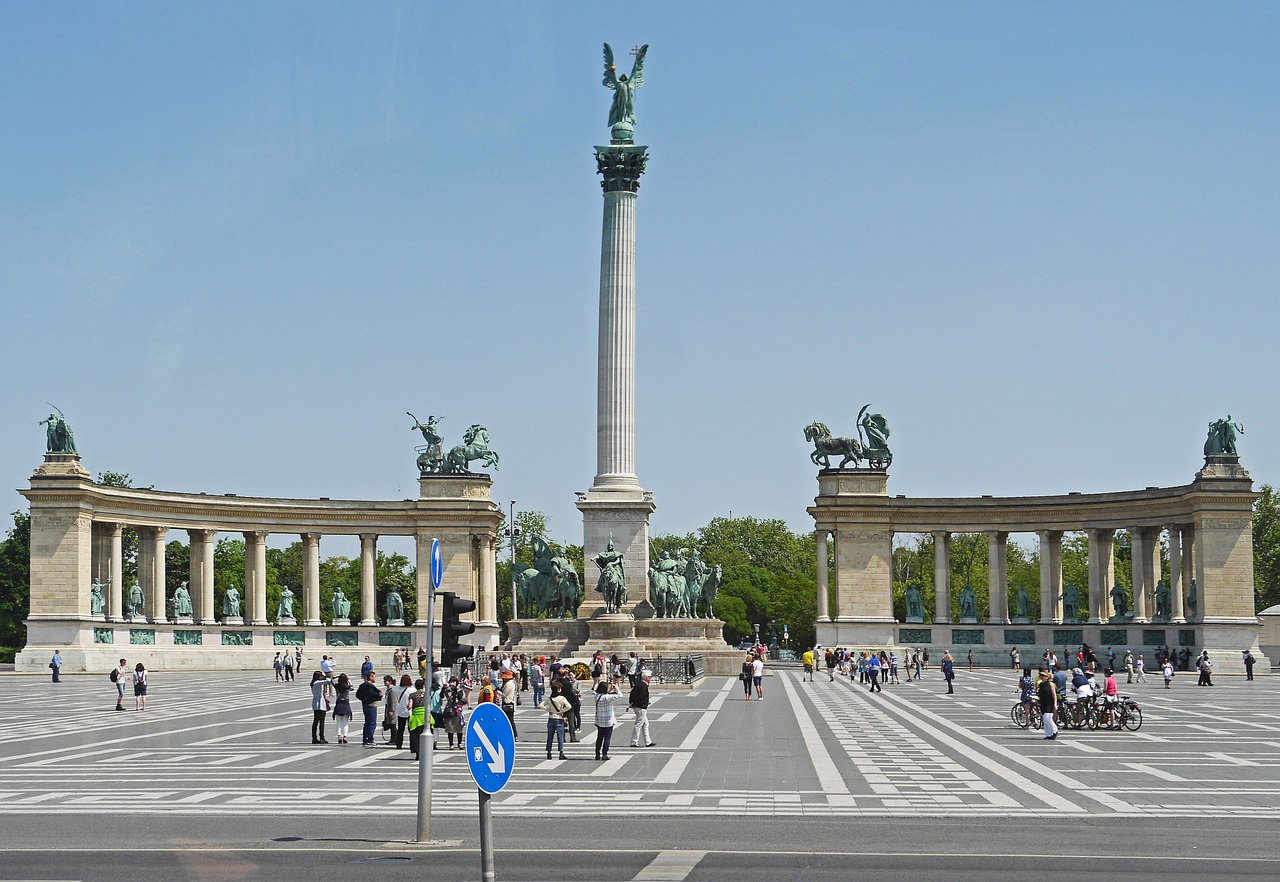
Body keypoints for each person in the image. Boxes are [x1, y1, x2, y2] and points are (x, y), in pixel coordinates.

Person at [543, 680, 572, 760]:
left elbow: (540, 705)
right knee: (560, 737)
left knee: (550, 737)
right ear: (558, 689)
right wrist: (561, 711)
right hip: (559, 718)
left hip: (551, 718)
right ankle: (561, 753)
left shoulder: (549, 698)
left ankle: (549, 752)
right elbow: (569, 706)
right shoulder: (561, 698)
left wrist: (548, 710)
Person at [593, 680, 620, 761]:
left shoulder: (596, 696)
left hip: (599, 719)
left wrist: (610, 690)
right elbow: (620, 695)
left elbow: (606, 695)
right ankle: (605, 754)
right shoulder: (608, 697)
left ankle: (597, 753)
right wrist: (617, 689)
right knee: (607, 738)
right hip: (608, 720)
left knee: (599, 737)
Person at [355, 671, 383, 747]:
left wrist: (363, 699)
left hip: (365, 705)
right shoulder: (369, 686)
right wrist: (379, 695)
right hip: (371, 705)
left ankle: (365, 739)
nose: (375, 678)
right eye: (374, 676)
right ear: (370, 677)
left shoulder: (363, 685)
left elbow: (358, 695)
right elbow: (372, 694)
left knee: (367, 723)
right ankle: (369, 739)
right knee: (372, 723)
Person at [628, 670, 654, 747]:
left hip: (638, 707)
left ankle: (648, 741)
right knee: (638, 724)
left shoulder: (639, 684)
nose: (650, 679)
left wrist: (632, 702)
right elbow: (641, 696)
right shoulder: (643, 686)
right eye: (650, 677)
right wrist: (635, 703)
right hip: (641, 707)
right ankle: (634, 742)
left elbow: (632, 694)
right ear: (646, 678)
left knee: (645, 724)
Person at [393, 674, 415, 750]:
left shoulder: (398, 689)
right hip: (410, 712)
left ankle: (398, 744)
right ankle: (412, 745)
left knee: (400, 729)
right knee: (411, 730)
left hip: (400, 711)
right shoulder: (412, 690)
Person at [407, 678, 428, 757]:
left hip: (416, 717)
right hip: (425, 716)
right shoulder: (427, 694)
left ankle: (417, 753)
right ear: (423, 686)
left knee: (415, 736)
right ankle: (425, 751)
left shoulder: (412, 695)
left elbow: (409, 706)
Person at [332, 673, 353, 744]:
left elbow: (331, 680)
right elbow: (352, 687)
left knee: (338, 722)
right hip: (346, 704)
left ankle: (339, 736)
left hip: (339, 703)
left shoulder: (337, 686)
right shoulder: (347, 687)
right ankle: (345, 736)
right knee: (345, 722)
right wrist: (349, 680)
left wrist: (336, 676)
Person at [1037, 668, 1058, 740]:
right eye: (1041, 675)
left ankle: (1055, 730)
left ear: (1047, 677)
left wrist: (1055, 704)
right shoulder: (1041, 684)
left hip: (1049, 703)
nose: (1042, 677)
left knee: (1048, 718)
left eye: (1043, 676)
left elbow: (1054, 694)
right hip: (1043, 702)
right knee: (1045, 719)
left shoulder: (1050, 684)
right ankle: (1048, 734)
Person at [309, 671, 329, 744]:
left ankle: (314, 737)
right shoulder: (317, 682)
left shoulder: (313, 683)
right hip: (320, 703)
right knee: (321, 722)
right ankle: (321, 737)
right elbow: (328, 680)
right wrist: (325, 675)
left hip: (316, 703)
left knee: (315, 722)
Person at [500, 671, 519, 740]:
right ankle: (514, 735)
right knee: (510, 720)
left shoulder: (509, 684)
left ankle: (513, 734)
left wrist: (498, 692)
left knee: (509, 720)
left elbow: (504, 694)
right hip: (512, 703)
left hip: (508, 703)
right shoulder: (514, 683)